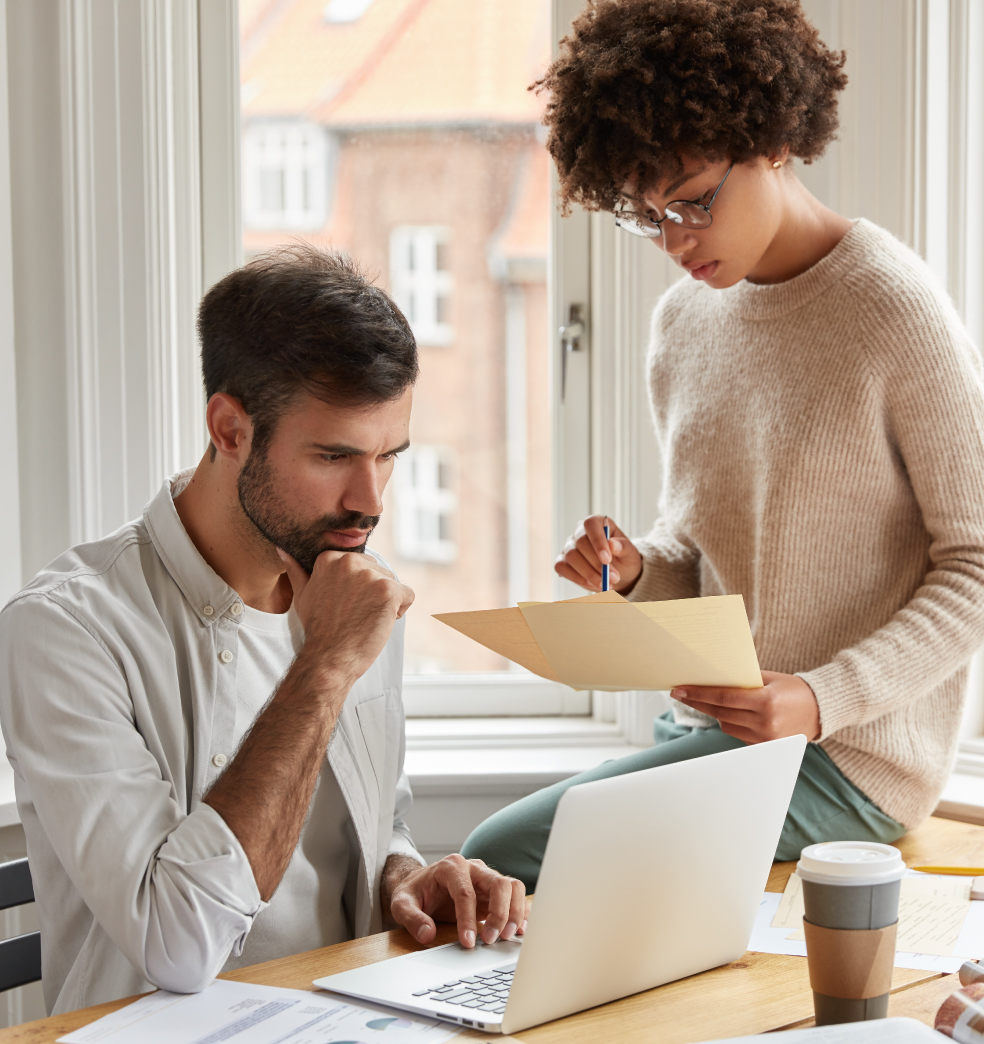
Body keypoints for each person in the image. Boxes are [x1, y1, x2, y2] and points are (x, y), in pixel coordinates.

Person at [461, 0, 984, 889]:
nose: (676, 239)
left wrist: (820, 698)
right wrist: (635, 570)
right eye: (647, 215)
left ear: (771, 141)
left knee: (493, 856)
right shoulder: (683, 323)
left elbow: (973, 564)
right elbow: (704, 556)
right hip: (713, 727)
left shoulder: (892, 310)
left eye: (694, 200)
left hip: (846, 759)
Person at [0, 246, 526, 1016]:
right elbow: (177, 944)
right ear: (230, 429)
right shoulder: (66, 630)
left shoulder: (356, 586)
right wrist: (325, 665)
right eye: (335, 456)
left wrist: (404, 878)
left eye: (388, 456)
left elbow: (375, 822)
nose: (370, 500)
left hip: (349, 1017)